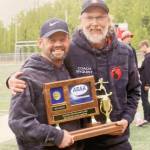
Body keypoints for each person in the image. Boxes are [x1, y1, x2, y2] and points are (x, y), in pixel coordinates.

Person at [7, 0, 141, 150]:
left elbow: (134, 90)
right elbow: (42, 63)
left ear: (109, 20)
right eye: (89, 17)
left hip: (118, 139)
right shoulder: (70, 49)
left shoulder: (125, 52)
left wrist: (127, 118)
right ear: (81, 20)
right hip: (83, 141)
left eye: (100, 17)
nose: (95, 23)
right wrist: (13, 79)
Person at [8, 18, 83, 150]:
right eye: (52, 40)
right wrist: (56, 136)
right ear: (40, 43)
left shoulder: (69, 69)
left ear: (69, 41)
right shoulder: (26, 77)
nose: (58, 44)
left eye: (62, 39)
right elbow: (18, 122)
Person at [138, 40, 150, 125]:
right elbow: (143, 69)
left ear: (145, 46)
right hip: (145, 81)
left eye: (141, 47)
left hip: (145, 82)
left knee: (144, 100)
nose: (141, 49)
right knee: (145, 100)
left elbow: (148, 71)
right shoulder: (147, 56)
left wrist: (147, 84)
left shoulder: (148, 57)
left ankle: (147, 118)